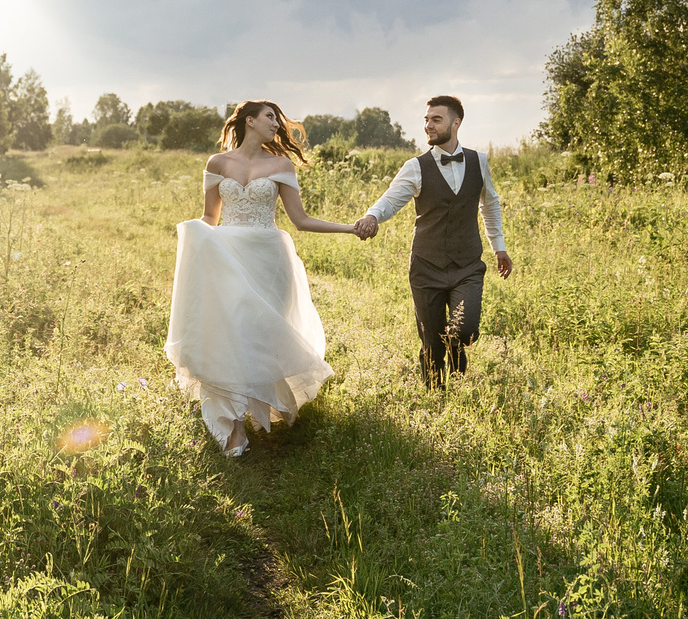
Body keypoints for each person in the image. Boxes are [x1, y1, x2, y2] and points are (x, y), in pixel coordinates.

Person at [166, 99, 366, 455]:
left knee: (259, 337)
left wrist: (349, 229)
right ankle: (236, 425)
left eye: (277, 118)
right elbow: (210, 218)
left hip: (270, 259)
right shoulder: (217, 163)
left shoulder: (280, 164)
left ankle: (256, 408)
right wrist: (191, 240)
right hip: (228, 258)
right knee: (233, 333)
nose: (277, 124)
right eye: (270, 117)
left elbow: (300, 220)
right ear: (250, 120)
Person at [354, 94, 512, 385]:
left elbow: (489, 204)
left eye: (436, 119)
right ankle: (435, 396)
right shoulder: (415, 166)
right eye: (426, 120)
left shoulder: (479, 161)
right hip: (426, 266)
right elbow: (390, 200)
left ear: (456, 122)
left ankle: (458, 354)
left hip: (467, 265)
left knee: (465, 331)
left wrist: (498, 247)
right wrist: (372, 216)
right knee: (431, 342)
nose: (428, 125)